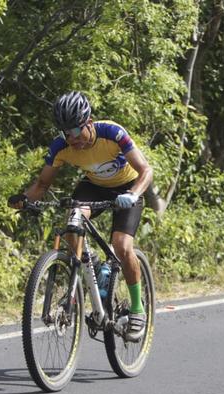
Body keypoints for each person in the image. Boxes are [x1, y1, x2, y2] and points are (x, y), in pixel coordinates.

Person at [9, 91, 153, 340]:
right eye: (66, 133)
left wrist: (133, 194)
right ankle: (91, 268)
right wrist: (24, 200)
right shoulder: (61, 146)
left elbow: (146, 170)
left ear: (89, 122)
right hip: (94, 186)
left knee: (121, 245)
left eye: (76, 131)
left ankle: (137, 308)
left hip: (128, 187)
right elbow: (42, 185)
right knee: (73, 223)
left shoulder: (112, 133)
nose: (73, 138)